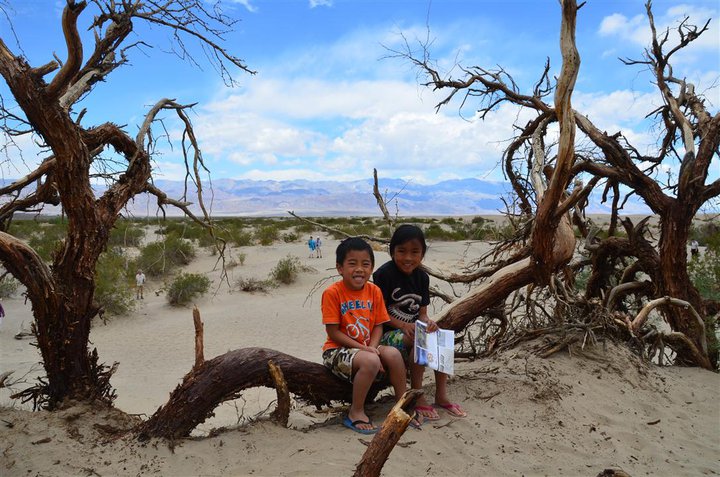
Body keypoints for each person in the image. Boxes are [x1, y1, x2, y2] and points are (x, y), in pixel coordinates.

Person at [373, 224, 467, 421]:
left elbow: (422, 314)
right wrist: (403, 325)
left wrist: (429, 322)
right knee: (420, 339)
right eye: (401, 251)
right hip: (387, 335)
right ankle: (419, 394)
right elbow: (378, 313)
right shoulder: (384, 274)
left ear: (422, 254)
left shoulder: (422, 277)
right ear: (392, 252)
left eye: (415, 252)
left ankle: (441, 395)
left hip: (413, 330)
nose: (408, 258)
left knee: (440, 338)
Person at [321, 237, 410, 434]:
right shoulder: (332, 293)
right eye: (352, 263)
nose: (359, 269)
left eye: (365, 264)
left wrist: (373, 347)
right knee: (370, 360)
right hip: (337, 349)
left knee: (393, 354)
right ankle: (356, 411)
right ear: (339, 268)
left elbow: (378, 325)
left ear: (371, 268)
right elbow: (332, 332)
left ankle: (400, 405)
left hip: (367, 346)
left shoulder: (374, 291)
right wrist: (367, 350)